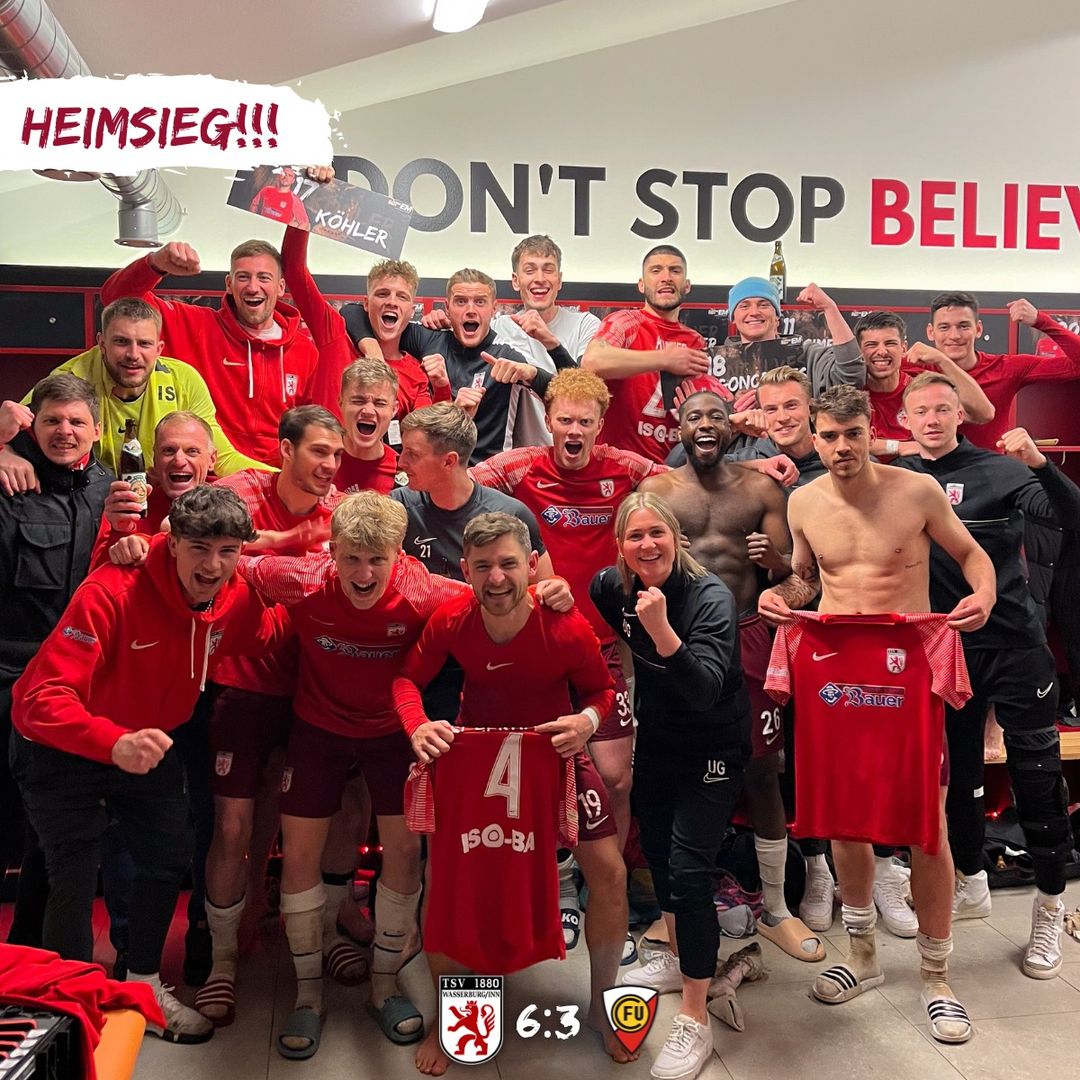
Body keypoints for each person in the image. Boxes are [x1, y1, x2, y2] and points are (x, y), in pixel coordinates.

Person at [233, 493, 569, 1058]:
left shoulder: (424, 588)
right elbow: (225, 559)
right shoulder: (299, 578)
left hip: (393, 734)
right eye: (351, 559)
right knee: (297, 858)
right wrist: (144, 545)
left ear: (400, 556)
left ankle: (384, 985)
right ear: (331, 553)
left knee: (407, 853)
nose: (364, 575)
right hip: (316, 729)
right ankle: (308, 995)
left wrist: (552, 593)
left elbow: (496, 595)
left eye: (377, 560)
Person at [757, 384, 996, 1044]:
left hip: (906, 671)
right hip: (837, 674)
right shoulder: (803, 501)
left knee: (927, 824)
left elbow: (971, 554)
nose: (842, 447)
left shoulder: (916, 490)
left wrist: (982, 594)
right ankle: (862, 956)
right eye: (830, 436)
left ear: (871, 429)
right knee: (845, 818)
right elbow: (807, 578)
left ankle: (936, 975)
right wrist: (781, 596)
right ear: (814, 436)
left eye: (853, 433)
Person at [9, 485, 288, 1045]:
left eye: (228, 551)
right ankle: (74, 1015)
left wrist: (330, 594)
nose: (213, 565)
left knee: (167, 858)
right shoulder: (112, 590)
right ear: (173, 542)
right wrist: (113, 743)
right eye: (200, 548)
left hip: (148, 744)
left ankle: (143, 987)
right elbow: (39, 699)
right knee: (74, 873)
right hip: (61, 746)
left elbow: (271, 634)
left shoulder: (233, 596)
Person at [393, 511, 632, 1074]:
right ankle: (452, 1018)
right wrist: (417, 726)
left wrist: (587, 724)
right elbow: (406, 681)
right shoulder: (453, 618)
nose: (496, 578)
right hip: (477, 762)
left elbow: (601, 690)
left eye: (507, 564)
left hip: (555, 756)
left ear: (532, 565)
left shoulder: (565, 625)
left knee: (610, 873)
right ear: (465, 570)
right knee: (446, 883)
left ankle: (602, 1006)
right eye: (482, 567)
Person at [894, 372, 1080, 977]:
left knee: (1037, 775)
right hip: (944, 648)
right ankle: (971, 880)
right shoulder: (896, 479)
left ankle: (1050, 904)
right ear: (904, 420)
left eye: (941, 409)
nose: (931, 419)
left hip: (1014, 644)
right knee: (957, 775)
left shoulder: (1000, 470)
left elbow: (1070, 516)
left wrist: (1042, 465)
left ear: (961, 414)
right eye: (920, 411)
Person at [638, 390, 833, 966]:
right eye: (693, 416)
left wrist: (774, 565)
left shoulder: (763, 490)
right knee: (670, 774)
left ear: (734, 427)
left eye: (716, 416)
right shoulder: (655, 492)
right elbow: (630, 569)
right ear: (678, 427)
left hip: (746, 633)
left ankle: (775, 907)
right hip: (674, 640)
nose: (704, 424)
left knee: (762, 770)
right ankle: (676, 911)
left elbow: (804, 577)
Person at [193, 405, 347, 1028]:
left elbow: (334, 580)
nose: (330, 465)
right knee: (232, 827)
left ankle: (315, 930)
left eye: (336, 455)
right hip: (241, 684)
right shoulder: (240, 491)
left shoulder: (339, 509)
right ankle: (222, 962)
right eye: (319, 451)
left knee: (309, 822)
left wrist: (264, 560)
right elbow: (204, 553)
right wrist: (281, 547)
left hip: (312, 687)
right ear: (285, 449)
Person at [592, 492, 750, 1080]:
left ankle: (694, 1016)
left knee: (688, 871)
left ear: (676, 538)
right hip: (657, 738)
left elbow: (704, 688)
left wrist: (660, 631)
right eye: (635, 536)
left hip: (713, 746)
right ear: (621, 546)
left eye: (657, 532)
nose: (647, 545)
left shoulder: (709, 596)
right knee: (657, 853)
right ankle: (682, 955)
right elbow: (598, 610)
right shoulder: (610, 587)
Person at [0, 376, 111, 947]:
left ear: (97, 429)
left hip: (72, 688)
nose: (64, 431)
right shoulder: (7, 481)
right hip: (7, 678)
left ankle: (33, 956)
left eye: (76, 421)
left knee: (54, 835)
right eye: (51, 421)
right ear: (33, 425)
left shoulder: (113, 490)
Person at [0, 298, 266, 496]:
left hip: (159, 500)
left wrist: (281, 477)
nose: (133, 355)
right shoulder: (71, 378)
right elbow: (17, 427)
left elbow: (222, 457)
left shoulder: (184, 380)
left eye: (144, 344)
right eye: (121, 342)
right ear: (101, 343)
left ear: (159, 348)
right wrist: (4, 452)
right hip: (85, 500)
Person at [100, 239, 320, 465]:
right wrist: (154, 264)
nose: (253, 287)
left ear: (281, 287)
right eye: (243, 277)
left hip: (273, 478)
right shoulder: (198, 326)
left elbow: (309, 427)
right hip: (208, 476)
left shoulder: (305, 351)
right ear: (229, 284)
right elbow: (116, 301)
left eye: (264, 277)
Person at [345, 268, 567, 461]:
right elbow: (353, 312)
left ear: (494, 309)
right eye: (461, 301)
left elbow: (567, 395)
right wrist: (373, 352)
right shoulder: (429, 339)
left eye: (480, 302)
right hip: (433, 473)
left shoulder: (505, 355)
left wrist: (531, 373)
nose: (470, 310)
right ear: (447, 307)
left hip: (488, 476)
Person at [282, 204, 452, 443]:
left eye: (401, 297)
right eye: (382, 294)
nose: (391, 302)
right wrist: (305, 208)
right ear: (366, 303)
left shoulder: (416, 374)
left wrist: (442, 388)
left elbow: (426, 435)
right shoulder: (335, 337)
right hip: (324, 464)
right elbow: (295, 272)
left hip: (384, 466)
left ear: (411, 309)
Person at [423, 234, 600, 444]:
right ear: (516, 281)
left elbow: (585, 396)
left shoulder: (586, 324)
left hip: (575, 448)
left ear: (559, 280)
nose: (540, 278)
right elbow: (465, 334)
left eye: (548, 269)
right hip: (522, 456)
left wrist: (550, 342)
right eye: (530, 270)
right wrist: (441, 322)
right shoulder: (499, 327)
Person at [582, 245, 714, 464]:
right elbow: (592, 361)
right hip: (621, 468)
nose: (666, 277)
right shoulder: (625, 321)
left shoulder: (696, 341)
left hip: (674, 470)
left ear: (687, 285)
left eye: (675, 270)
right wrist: (665, 359)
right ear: (641, 285)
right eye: (656, 270)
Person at [924, 291, 1080, 451]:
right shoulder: (917, 368)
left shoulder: (1006, 368)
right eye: (944, 327)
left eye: (964, 326)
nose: (954, 335)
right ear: (931, 332)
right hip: (928, 466)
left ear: (978, 329)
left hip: (990, 465)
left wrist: (1041, 321)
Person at [854, 310, 993, 460]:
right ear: (859, 351)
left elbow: (984, 414)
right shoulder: (850, 390)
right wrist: (899, 447)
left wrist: (943, 360)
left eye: (890, 343)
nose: (882, 351)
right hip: (871, 472)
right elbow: (847, 439)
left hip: (926, 471)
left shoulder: (923, 384)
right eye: (871, 345)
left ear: (903, 348)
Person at [90, 410, 218, 568]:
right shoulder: (126, 505)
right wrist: (120, 532)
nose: (179, 461)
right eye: (168, 450)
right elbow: (97, 576)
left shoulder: (233, 502)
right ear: (155, 459)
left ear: (212, 459)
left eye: (192, 451)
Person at [718, 276, 864, 408]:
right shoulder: (717, 363)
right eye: (744, 306)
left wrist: (829, 307)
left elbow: (851, 376)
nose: (754, 312)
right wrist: (731, 410)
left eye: (764, 305)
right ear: (733, 317)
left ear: (777, 315)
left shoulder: (806, 353)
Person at [334, 357, 406, 493]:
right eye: (358, 401)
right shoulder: (318, 461)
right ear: (341, 402)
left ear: (394, 409)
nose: (368, 411)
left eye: (380, 403)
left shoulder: (403, 472)